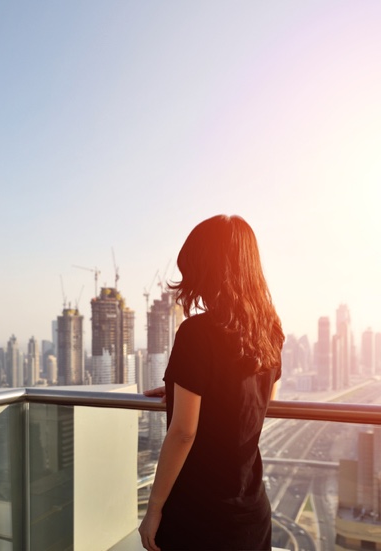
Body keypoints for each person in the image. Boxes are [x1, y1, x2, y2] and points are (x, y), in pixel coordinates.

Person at [138, 215, 284, 551]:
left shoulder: (197, 333)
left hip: (199, 516)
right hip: (251, 514)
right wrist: (185, 389)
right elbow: (261, 401)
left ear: (206, 268)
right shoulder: (270, 330)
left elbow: (184, 433)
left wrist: (154, 508)